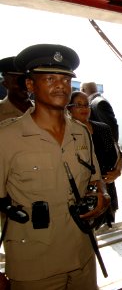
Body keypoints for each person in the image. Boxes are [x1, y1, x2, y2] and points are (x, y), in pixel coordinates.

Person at [0, 43, 110, 289]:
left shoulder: (81, 133)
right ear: (30, 85)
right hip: (34, 264)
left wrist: (102, 194)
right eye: (49, 78)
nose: (60, 85)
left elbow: (96, 177)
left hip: (82, 254)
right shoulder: (6, 138)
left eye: (65, 78)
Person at [67, 91, 122, 228]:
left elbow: (118, 154)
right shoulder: (66, 132)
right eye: (78, 105)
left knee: (100, 224)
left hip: (106, 189)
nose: (85, 109)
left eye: (87, 105)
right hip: (81, 192)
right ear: (68, 108)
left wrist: (117, 171)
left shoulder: (102, 128)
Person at [0, 56, 34, 122]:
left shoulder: (44, 110)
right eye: (19, 81)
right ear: (5, 83)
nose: (25, 85)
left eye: (28, 80)